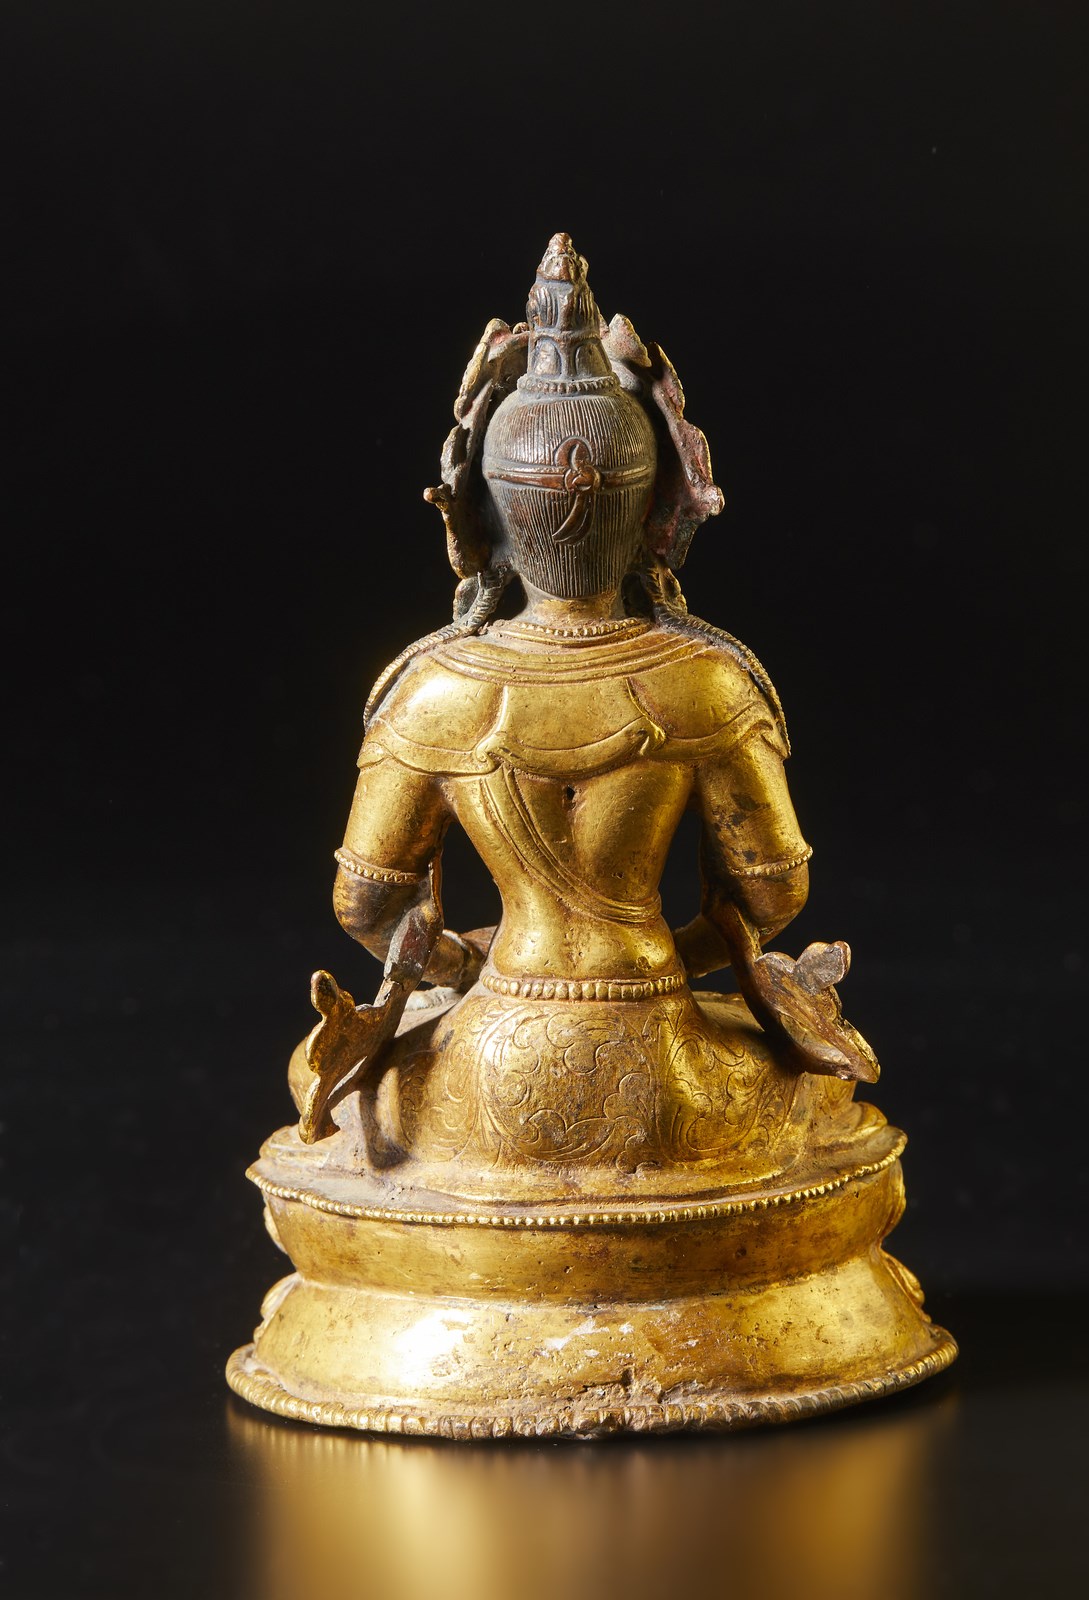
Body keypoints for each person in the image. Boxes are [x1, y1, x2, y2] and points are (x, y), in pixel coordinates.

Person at [291, 234, 880, 1200]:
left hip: (487, 1069)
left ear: (483, 514)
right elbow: (774, 897)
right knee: (808, 1097)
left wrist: (465, 963)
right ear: (657, 514)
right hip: (667, 1067)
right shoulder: (707, 682)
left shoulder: (432, 688)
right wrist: (687, 955)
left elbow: (365, 908)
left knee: (333, 1088)